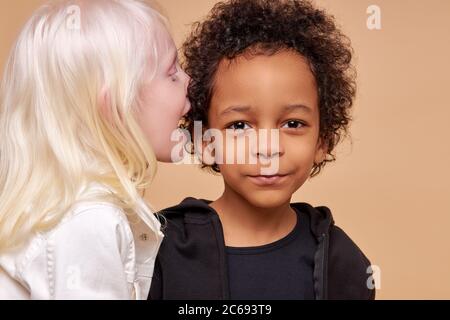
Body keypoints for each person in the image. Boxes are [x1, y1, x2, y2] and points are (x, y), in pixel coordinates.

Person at [149, 0, 375, 300]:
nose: (267, 149)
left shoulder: (342, 262)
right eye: (240, 126)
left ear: (323, 141)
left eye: (292, 123)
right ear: (205, 142)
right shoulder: (159, 248)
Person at [0, 0, 191, 299]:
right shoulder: (89, 221)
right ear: (117, 107)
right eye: (172, 73)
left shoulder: (69, 207)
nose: (189, 82)